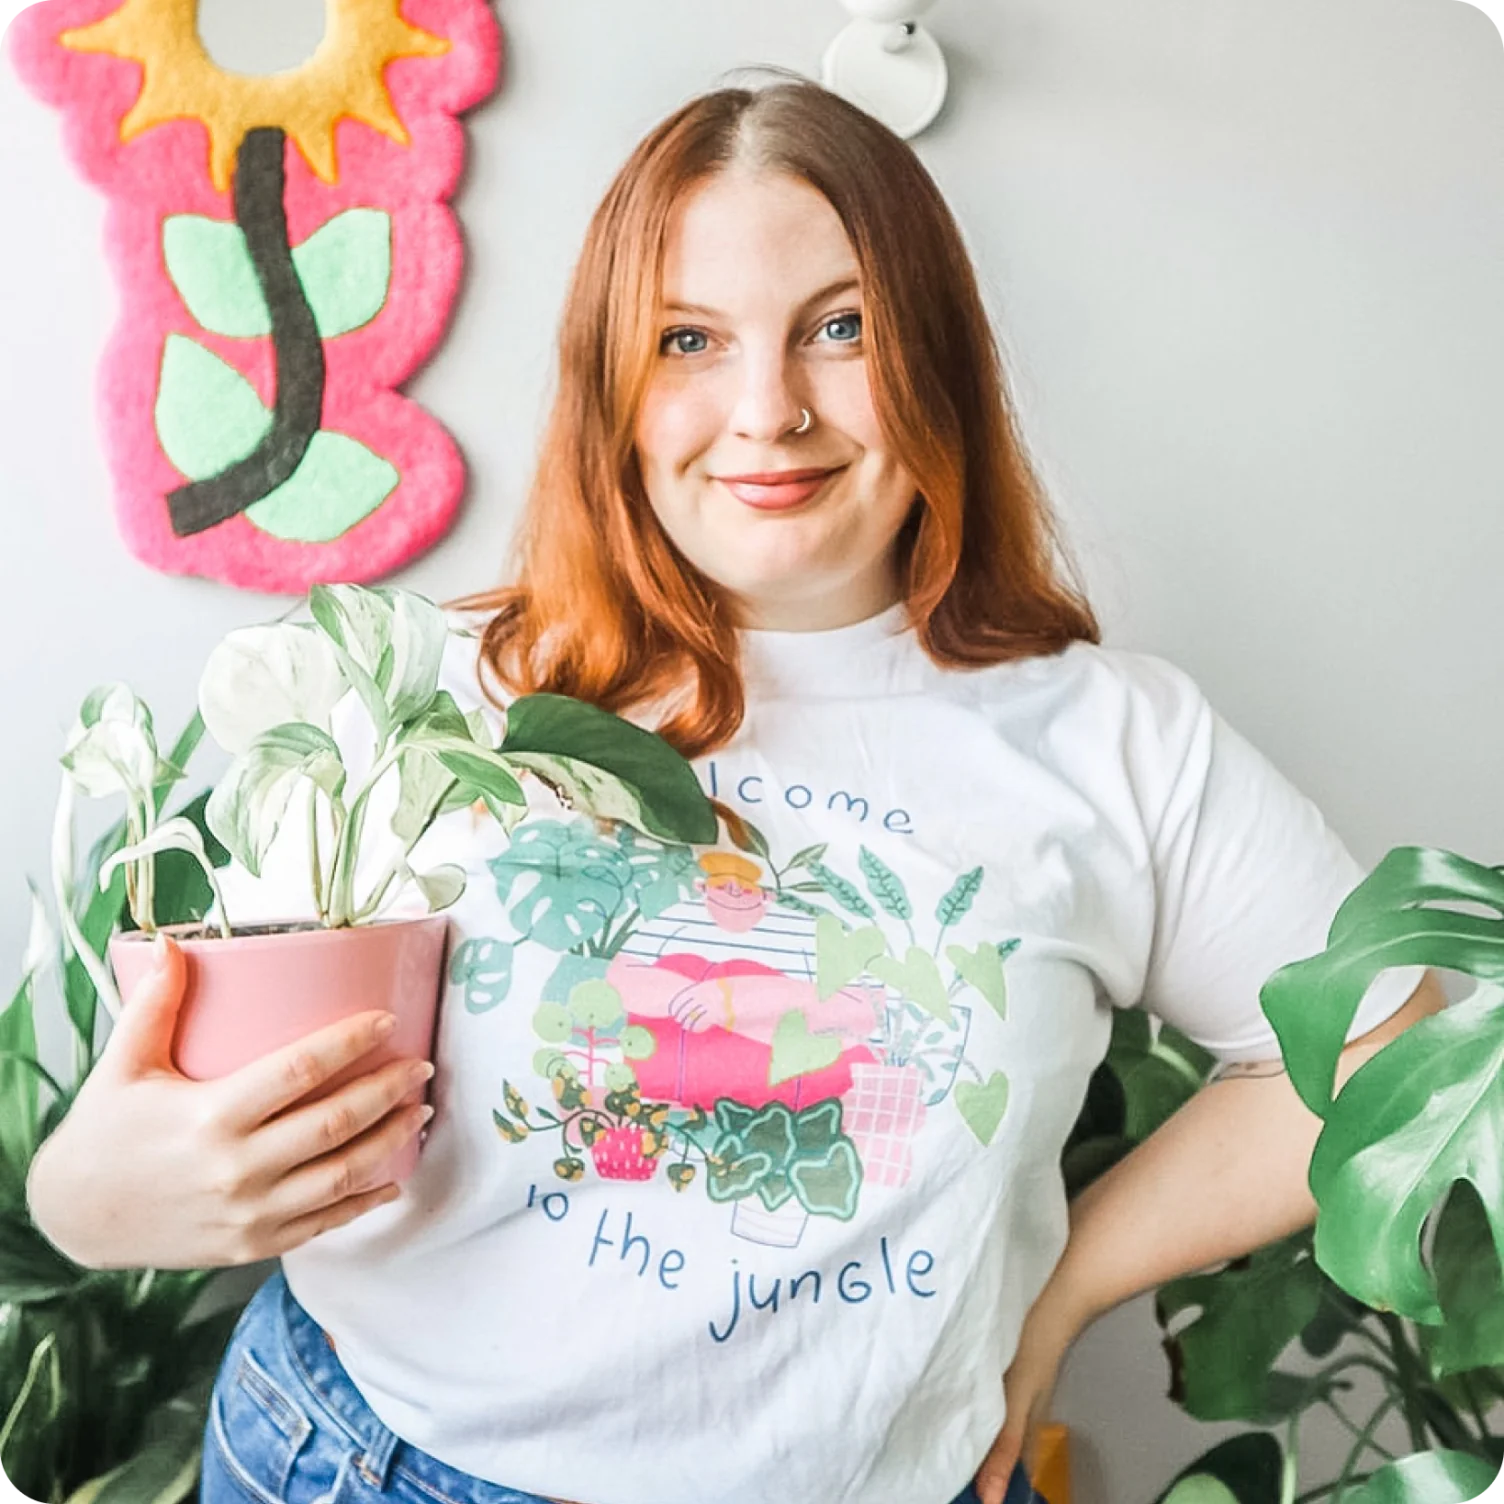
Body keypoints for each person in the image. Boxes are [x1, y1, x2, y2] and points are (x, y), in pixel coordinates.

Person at [25, 75, 1445, 1504]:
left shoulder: (1116, 743)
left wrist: (1063, 1283)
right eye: (689, 340)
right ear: (613, 386)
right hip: (371, 1465)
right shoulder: (433, 693)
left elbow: (1391, 1049)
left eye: (841, 330)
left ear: (934, 357)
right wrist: (98, 1196)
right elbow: (141, 1131)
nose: (768, 411)